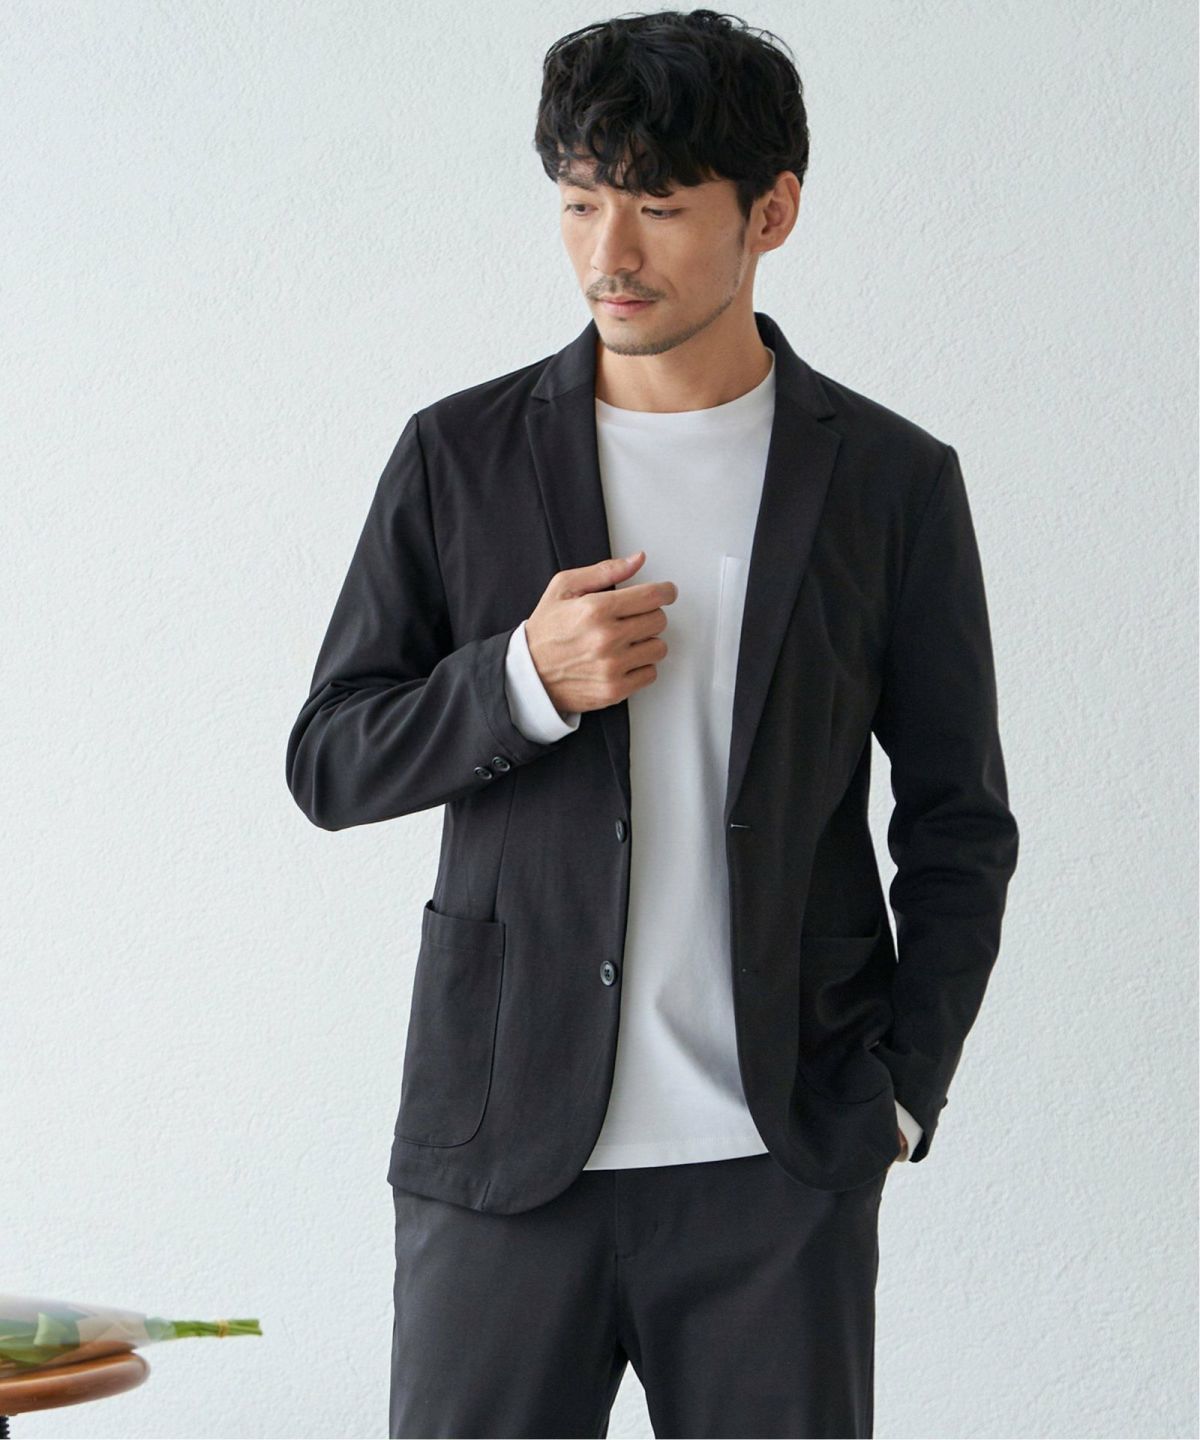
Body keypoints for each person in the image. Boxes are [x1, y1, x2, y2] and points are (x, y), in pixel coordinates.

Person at [285, 9, 1019, 1437]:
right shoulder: (458, 455)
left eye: (660, 209)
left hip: (776, 1172)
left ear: (771, 214)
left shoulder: (890, 482)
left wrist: (899, 1095)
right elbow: (329, 758)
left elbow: (959, 824)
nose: (607, 253)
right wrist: (520, 681)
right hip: (501, 1160)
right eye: (578, 202)